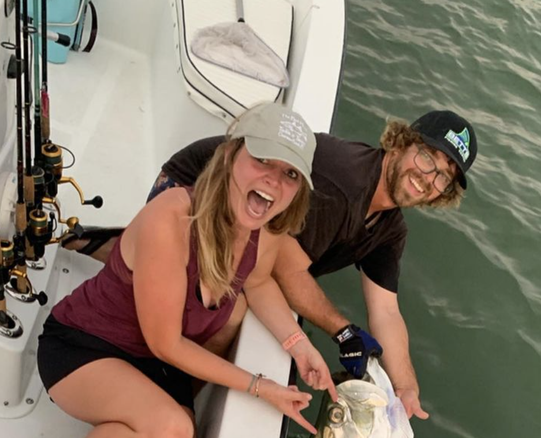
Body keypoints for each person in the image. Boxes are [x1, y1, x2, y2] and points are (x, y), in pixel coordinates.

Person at [33, 102, 335, 438]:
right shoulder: (172, 216)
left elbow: (256, 282)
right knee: (171, 430)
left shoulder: (265, 230)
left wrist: (299, 346)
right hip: (86, 347)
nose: (274, 180)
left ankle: (133, 432)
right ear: (230, 154)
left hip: (152, 367)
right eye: (262, 160)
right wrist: (261, 387)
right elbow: (166, 343)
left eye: (290, 174)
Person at [144, 109, 478, 419]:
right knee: (233, 307)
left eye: (443, 177)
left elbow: (386, 311)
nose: (428, 177)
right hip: (191, 190)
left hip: (242, 223)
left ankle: (176, 395)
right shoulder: (346, 183)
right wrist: (344, 332)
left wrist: (406, 387)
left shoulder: (390, 227)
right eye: (426, 157)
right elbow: (283, 269)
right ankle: (169, 396)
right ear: (401, 144)